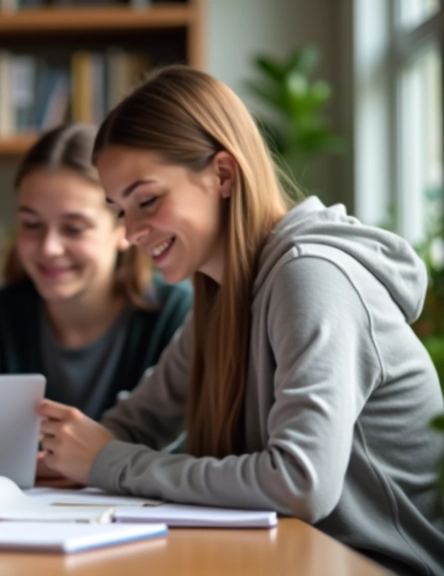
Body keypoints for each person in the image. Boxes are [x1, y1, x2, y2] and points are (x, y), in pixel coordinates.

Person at [37, 66, 444, 575]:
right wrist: (59, 458)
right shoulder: (223, 294)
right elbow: (139, 422)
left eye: (147, 201)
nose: (130, 233)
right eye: (120, 210)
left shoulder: (310, 279)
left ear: (223, 176)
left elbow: (300, 484)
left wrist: (106, 462)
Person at [0, 124, 191, 484]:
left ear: (125, 228)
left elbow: (186, 451)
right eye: (31, 224)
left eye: (74, 229)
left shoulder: (175, 316)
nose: (48, 248)